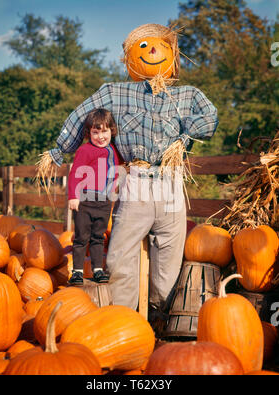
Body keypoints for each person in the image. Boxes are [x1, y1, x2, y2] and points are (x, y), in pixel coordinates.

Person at [40, 23, 218, 322]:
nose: (151, 50)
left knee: (170, 260)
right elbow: (81, 116)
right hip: (135, 181)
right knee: (120, 256)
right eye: (143, 46)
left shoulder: (187, 95)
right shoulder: (114, 93)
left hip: (171, 184)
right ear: (131, 59)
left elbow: (210, 117)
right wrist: (60, 150)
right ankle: (123, 320)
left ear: (173, 55)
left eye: (159, 46)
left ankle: (161, 317)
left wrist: (186, 134)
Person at [67, 108, 120, 285]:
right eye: (95, 132)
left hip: (104, 202)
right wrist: (73, 196)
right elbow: (75, 174)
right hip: (85, 201)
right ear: (89, 132)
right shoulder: (85, 150)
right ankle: (77, 272)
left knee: (98, 237)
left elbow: (116, 172)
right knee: (81, 237)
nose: (100, 136)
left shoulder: (113, 150)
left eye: (104, 131)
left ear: (111, 130)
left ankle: (97, 269)